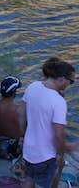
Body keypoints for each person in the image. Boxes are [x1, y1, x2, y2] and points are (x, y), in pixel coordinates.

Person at [20, 57, 77, 188]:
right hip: (46, 156)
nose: (70, 84)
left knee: (29, 178)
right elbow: (58, 135)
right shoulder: (58, 102)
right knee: (52, 177)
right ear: (62, 79)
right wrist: (63, 151)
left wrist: (23, 136)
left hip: (29, 150)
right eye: (71, 81)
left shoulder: (32, 86)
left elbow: (21, 116)